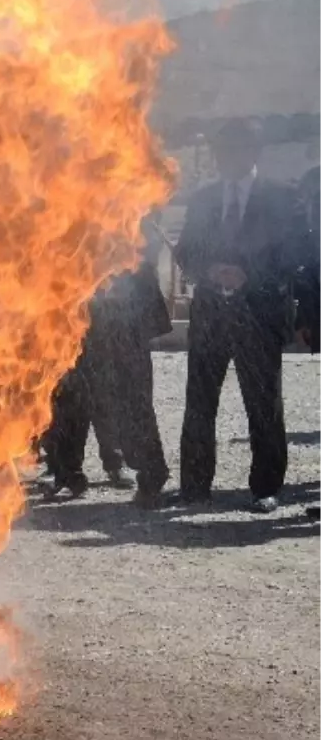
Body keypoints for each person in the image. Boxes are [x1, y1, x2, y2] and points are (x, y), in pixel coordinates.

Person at [174, 118, 304, 513]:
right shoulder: (203, 199)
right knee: (199, 402)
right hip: (211, 313)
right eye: (221, 152)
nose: (227, 159)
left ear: (253, 153)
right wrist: (209, 270)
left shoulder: (281, 197)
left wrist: (250, 274)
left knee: (263, 403)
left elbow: (293, 254)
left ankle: (265, 487)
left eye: (235, 151)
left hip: (259, 314)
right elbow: (185, 251)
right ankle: (195, 486)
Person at [43, 215, 172, 508]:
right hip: (78, 319)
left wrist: (116, 268)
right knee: (70, 397)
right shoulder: (68, 204)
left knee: (133, 400)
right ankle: (67, 475)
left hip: (126, 319)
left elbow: (149, 247)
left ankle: (152, 475)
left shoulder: (131, 197)